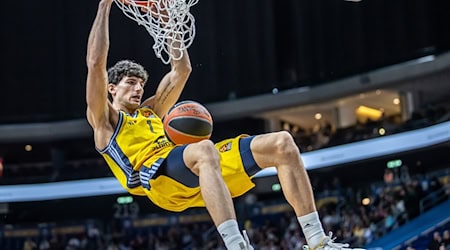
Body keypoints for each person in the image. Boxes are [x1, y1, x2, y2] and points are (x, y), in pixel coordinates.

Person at [85, 0, 364, 249]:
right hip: (156, 181)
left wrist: (169, 23)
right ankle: (235, 245)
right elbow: (96, 63)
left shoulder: (152, 112)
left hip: (192, 170)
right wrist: (104, 5)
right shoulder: (105, 121)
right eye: (131, 83)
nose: (138, 89)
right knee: (204, 149)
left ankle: (317, 241)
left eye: (141, 84)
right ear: (111, 89)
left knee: (283, 144)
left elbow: (182, 70)